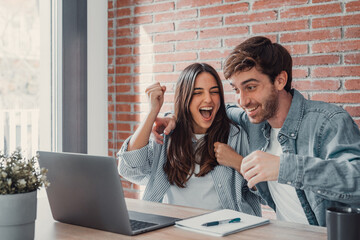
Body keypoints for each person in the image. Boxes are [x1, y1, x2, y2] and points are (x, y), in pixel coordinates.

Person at [152, 37, 360, 226]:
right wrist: (175, 117)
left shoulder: (328, 122)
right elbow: (214, 109)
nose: (242, 101)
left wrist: (283, 167)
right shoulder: (254, 122)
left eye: (250, 87)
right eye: (236, 89)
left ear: (280, 80)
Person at [117, 63, 261, 216]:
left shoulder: (235, 136)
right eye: (198, 93)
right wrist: (152, 112)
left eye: (214, 92)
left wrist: (238, 163)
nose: (208, 99)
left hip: (223, 229)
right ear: (184, 97)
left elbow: (263, 193)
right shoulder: (166, 134)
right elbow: (129, 169)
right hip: (171, 229)